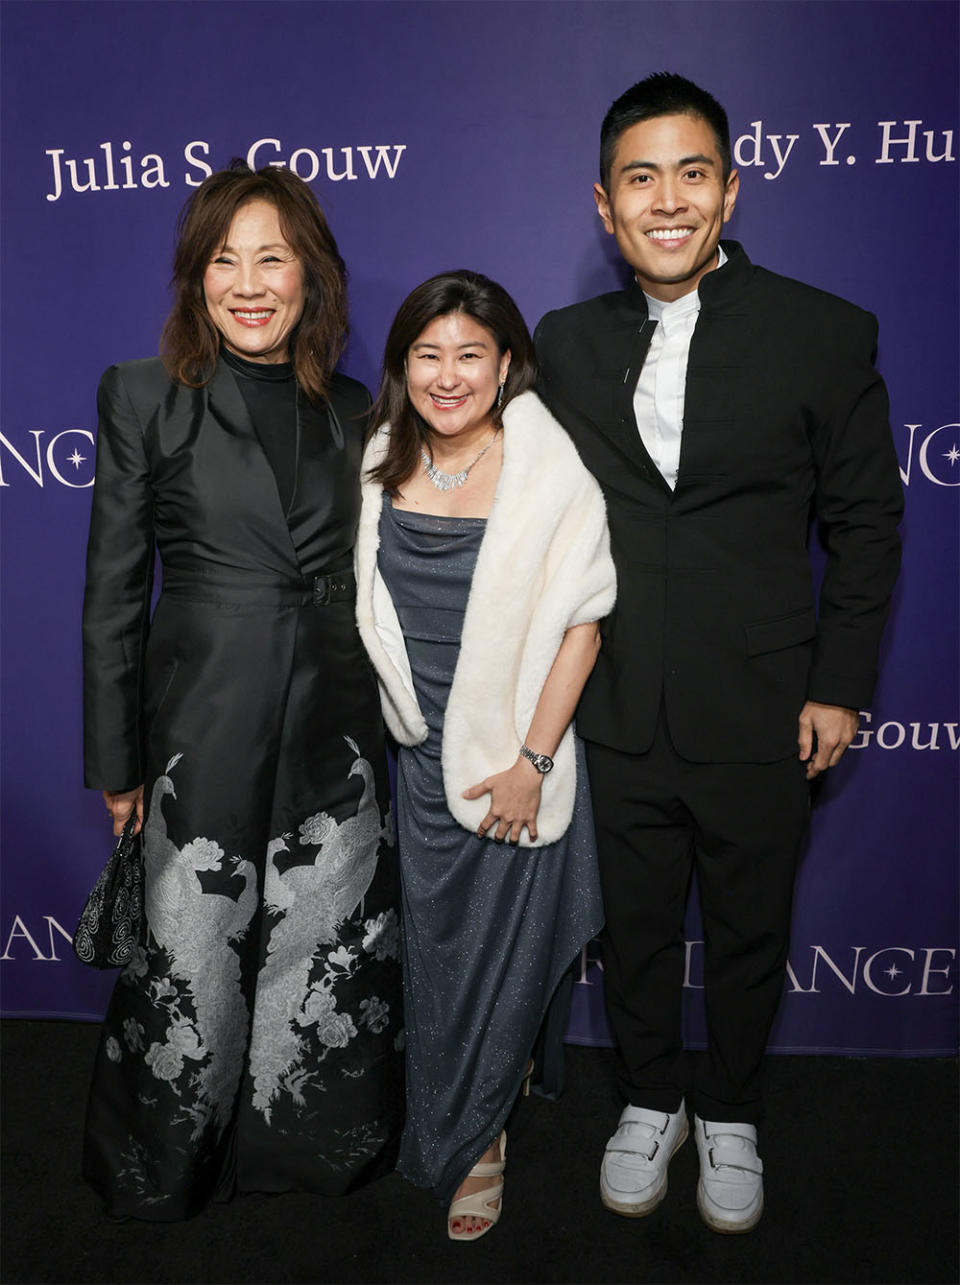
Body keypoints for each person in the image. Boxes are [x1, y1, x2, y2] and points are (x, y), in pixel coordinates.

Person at [534, 73, 903, 1234]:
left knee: (751, 925)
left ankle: (732, 1109)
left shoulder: (824, 332)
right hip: (620, 702)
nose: (669, 199)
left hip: (765, 702)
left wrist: (841, 683)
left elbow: (866, 524)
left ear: (732, 190)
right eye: (642, 178)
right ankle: (650, 1101)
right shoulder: (559, 344)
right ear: (606, 205)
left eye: (693, 173)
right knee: (636, 929)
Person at [81, 164, 403, 1221]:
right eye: (227, 259)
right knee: (191, 950)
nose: (250, 282)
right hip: (201, 718)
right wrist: (117, 763)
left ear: (312, 275)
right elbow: (114, 593)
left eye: (274, 256)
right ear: (196, 277)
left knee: (323, 941)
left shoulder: (358, 409)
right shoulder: (143, 392)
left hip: (334, 718)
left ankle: (311, 1153)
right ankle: (164, 1162)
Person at [355, 270, 615, 1241]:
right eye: (429, 354)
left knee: (489, 962)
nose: (448, 374)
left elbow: (581, 628)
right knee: (435, 957)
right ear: (403, 365)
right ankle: (482, 1083)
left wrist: (531, 765)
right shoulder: (377, 457)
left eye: (471, 353)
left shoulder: (550, 471)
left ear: (506, 364)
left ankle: (480, 1136)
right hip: (416, 759)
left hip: (512, 760)